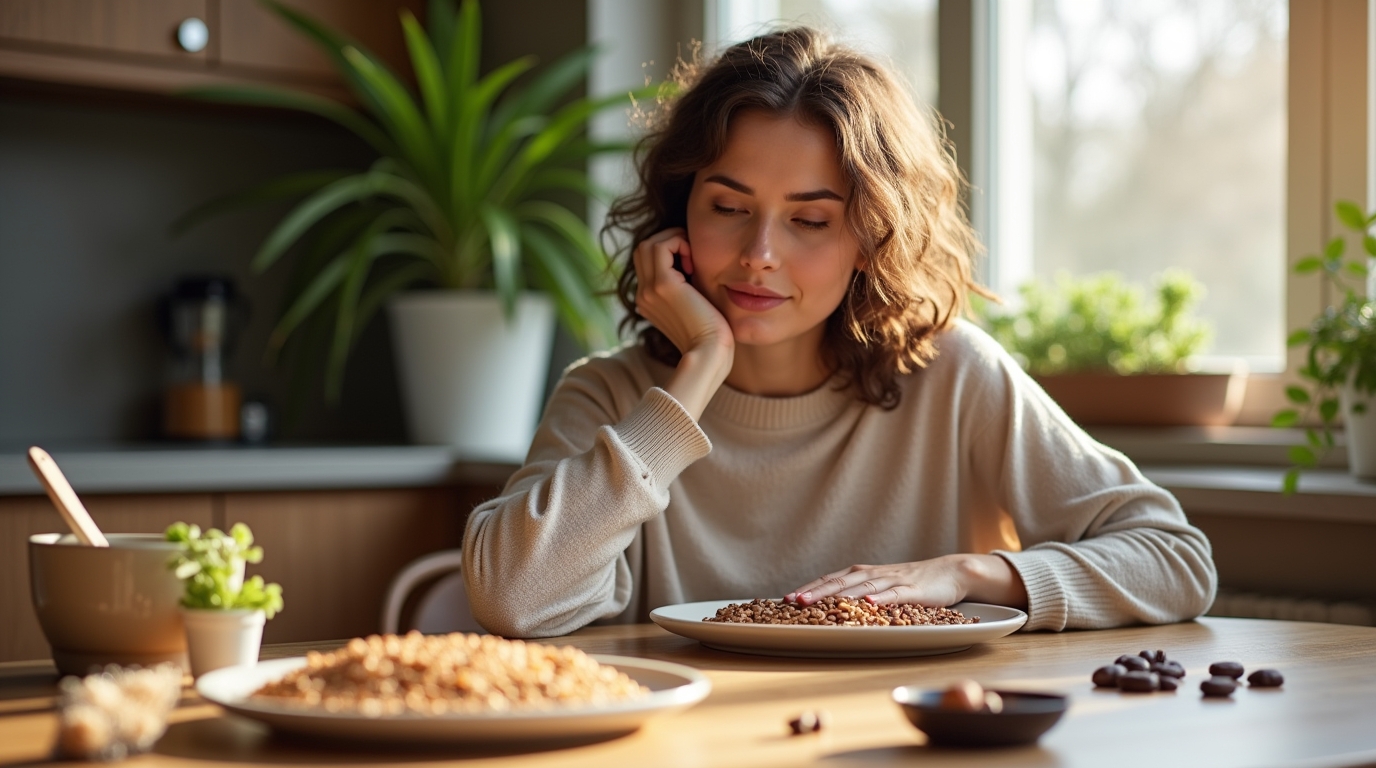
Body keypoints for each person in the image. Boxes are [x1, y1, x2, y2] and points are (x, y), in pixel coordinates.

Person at [462, 27, 1216, 638]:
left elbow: (1177, 560)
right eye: (728, 207)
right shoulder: (610, 396)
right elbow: (512, 597)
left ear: (869, 240)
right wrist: (700, 370)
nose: (760, 255)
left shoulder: (952, 376)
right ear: (679, 213)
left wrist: (965, 574)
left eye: (810, 221)